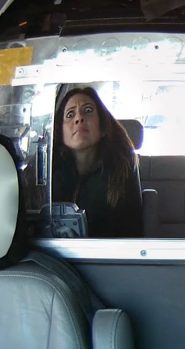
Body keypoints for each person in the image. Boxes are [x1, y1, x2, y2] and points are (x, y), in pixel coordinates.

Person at [52, 86, 142, 237]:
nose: (79, 118)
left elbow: (132, 232)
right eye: (70, 114)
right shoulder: (45, 172)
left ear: (103, 126)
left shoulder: (122, 169)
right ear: (59, 131)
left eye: (88, 110)